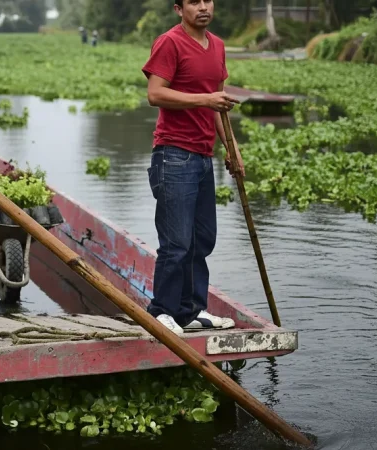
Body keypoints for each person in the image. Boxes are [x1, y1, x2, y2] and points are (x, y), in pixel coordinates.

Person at [141, 0, 244, 335]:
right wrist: (205, 99)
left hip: (203, 157)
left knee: (202, 239)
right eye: (193, 1)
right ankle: (162, 311)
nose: (203, 6)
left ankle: (190, 310)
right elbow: (155, 94)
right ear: (178, 8)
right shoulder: (170, 42)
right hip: (174, 156)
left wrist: (232, 149)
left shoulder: (217, 46)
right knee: (177, 242)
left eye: (208, 0)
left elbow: (217, 99)